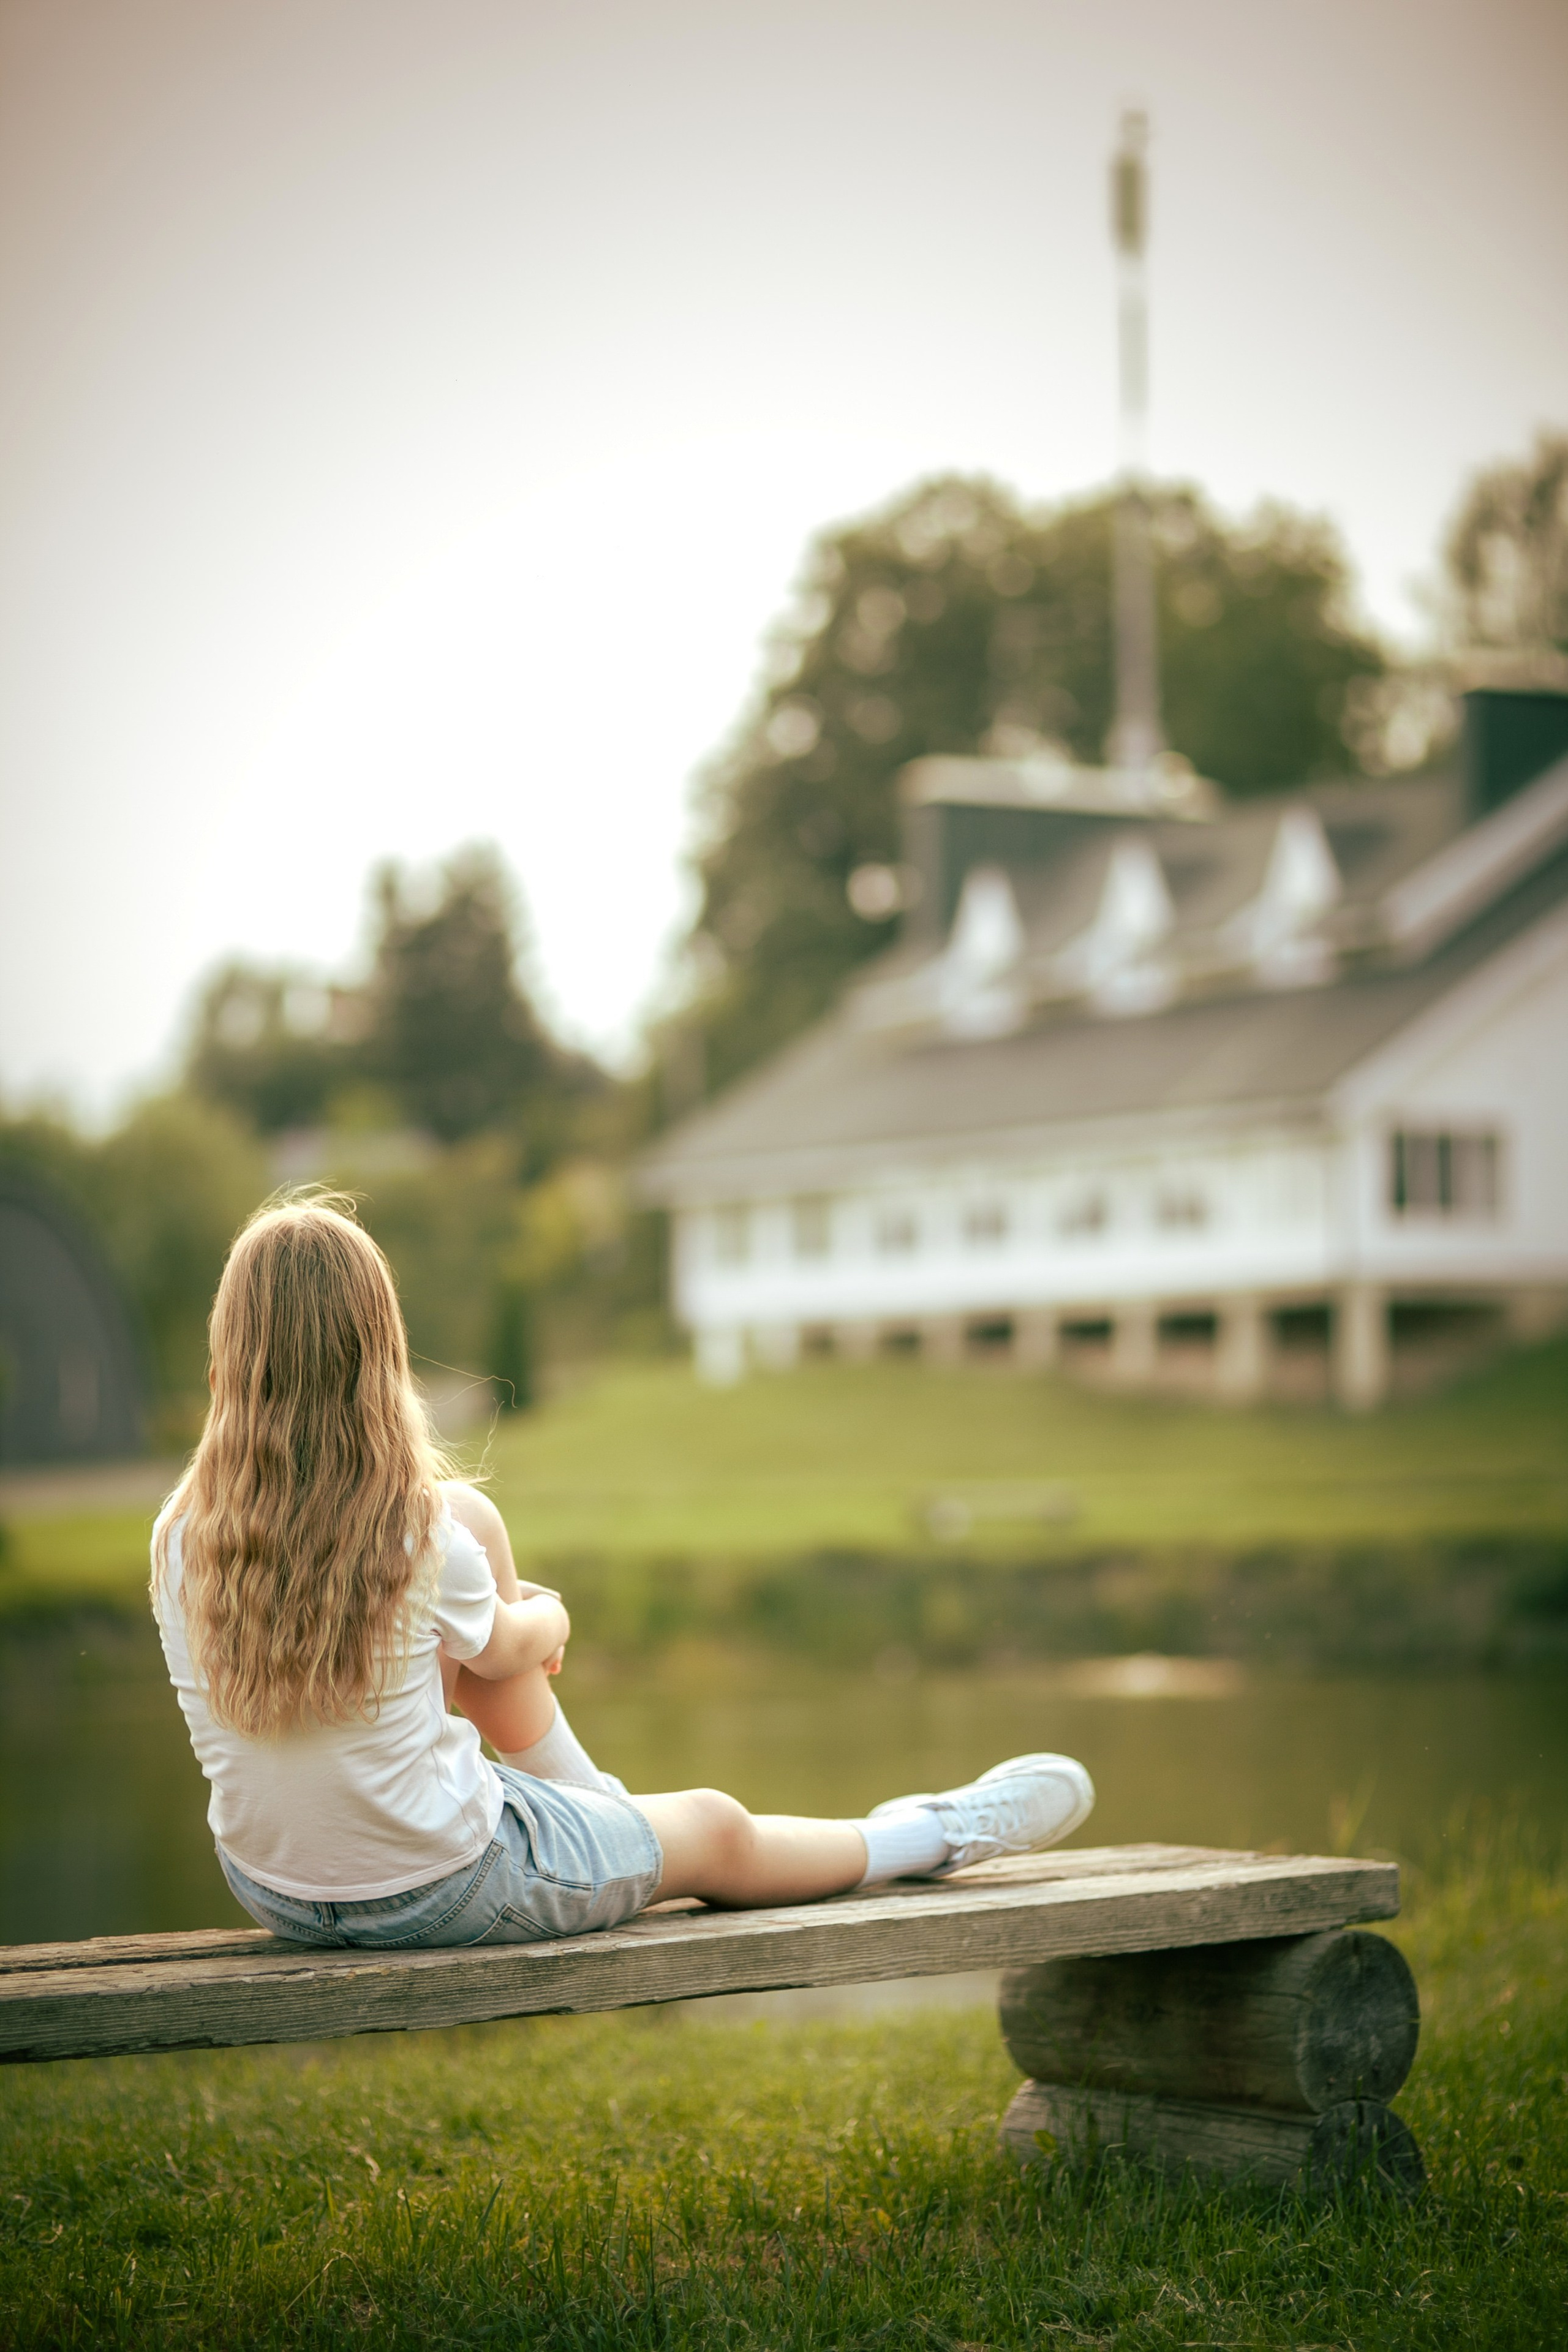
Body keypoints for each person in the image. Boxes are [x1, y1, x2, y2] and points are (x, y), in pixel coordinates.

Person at [153, 1197, 1094, 1951]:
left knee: (458, 1578)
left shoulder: (179, 1534)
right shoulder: (421, 1534)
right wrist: (548, 1616)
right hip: (437, 1887)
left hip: (273, 1886)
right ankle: (933, 1836)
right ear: (379, 1354)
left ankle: (602, 1814)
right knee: (719, 1828)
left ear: (231, 1358)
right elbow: (519, 1645)